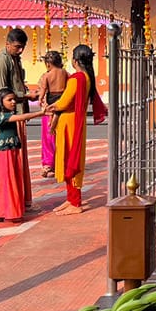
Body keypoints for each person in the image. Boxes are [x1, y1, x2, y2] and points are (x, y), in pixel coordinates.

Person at [44, 44, 107, 216]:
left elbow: (63, 102)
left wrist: (49, 107)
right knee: (70, 158)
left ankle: (75, 202)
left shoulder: (77, 78)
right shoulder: (87, 77)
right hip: (75, 121)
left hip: (69, 122)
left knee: (70, 159)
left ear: (75, 60)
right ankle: (71, 199)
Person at [0, 87, 45, 223]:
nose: (13, 102)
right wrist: (40, 113)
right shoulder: (3, 116)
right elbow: (22, 117)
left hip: (11, 152)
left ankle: (1, 211)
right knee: (6, 182)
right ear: (1, 102)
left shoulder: (5, 114)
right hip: (4, 155)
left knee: (7, 181)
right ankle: (4, 212)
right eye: (9, 100)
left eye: (14, 99)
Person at [0, 28, 38, 209]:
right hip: (8, 119)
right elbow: (3, 94)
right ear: (7, 44)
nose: (20, 51)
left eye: (22, 47)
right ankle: (5, 203)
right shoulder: (1, 61)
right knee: (8, 164)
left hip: (17, 114)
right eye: (17, 47)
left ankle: (19, 201)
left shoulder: (13, 58)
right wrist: (26, 95)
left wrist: (26, 95)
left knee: (19, 161)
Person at [36, 50, 68, 178]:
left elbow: (42, 91)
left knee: (49, 137)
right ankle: (63, 163)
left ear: (48, 64)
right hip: (62, 106)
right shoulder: (65, 73)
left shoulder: (47, 76)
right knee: (62, 136)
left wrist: (39, 100)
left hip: (50, 108)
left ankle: (48, 165)